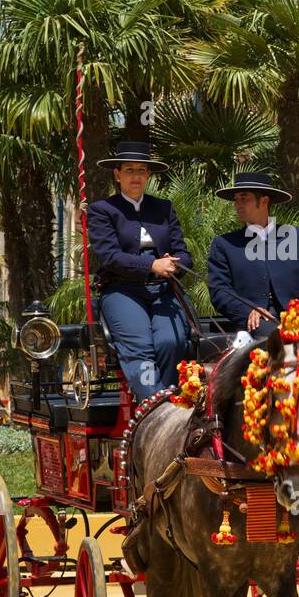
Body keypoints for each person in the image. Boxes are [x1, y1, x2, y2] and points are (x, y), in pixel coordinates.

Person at [86, 140, 191, 402]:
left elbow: (184, 253)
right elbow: (110, 257)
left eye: (141, 170)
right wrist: (151, 265)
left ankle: (167, 401)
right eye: (129, 170)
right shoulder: (102, 211)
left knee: (172, 342)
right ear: (117, 174)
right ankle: (155, 407)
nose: (136, 176)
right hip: (123, 290)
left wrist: (174, 265)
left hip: (164, 290)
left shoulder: (163, 208)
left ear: (148, 175)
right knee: (141, 349)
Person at [207, 171, 299, 344]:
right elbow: (219, 290)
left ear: (264, 201)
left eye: (243, 198)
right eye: (236, 199)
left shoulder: (297, 237)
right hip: (256, 323)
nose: (236, 205)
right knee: (274, 341)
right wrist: (248, 311)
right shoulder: (225, 244)